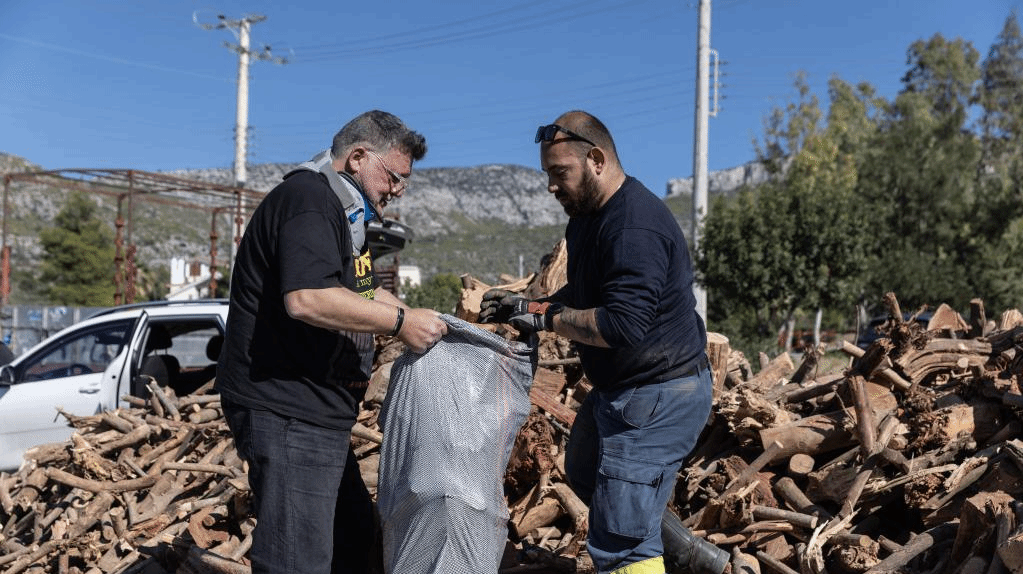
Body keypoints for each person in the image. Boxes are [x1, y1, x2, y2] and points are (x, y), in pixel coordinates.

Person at [480, 111, 726, 574]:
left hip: (659, 395)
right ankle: (695, 561)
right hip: (624, 390)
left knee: (621, 539)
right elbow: (586, 296)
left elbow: (623, 324)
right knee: (588, 469)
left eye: (560, 173)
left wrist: (547, 317)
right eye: (547, 175)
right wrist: (527, 308)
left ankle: (661, 559)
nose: (551, 186)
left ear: (596, 159)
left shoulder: (634, 225)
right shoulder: (588, 218)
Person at [216, 110, 448, 574]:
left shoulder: (344, 214)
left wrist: (424, 318)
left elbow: (362, 289)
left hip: (315, 412)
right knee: (297, 561)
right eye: (395, 177)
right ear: (359, 157)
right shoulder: (309, 201)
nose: (398, 190)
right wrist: (401, 322)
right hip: (287, 410)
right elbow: (307, 298)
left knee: (357, 542)